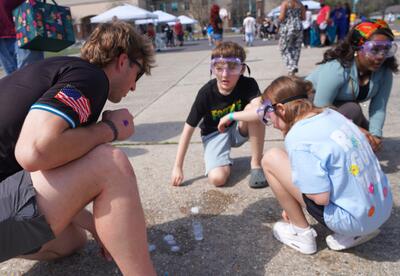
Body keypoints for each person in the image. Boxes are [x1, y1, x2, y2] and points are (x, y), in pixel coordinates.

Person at [0, 21, 156, 275]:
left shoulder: (57, 70)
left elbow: (46, 165)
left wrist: (95, 226)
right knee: (109, 163)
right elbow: (34, 151)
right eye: (137, 74)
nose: (135, 86)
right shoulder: (91, 78)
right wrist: (110, 130)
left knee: (73, 240)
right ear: (123, 61)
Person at [259, 76, 392, 254]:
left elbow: (320, 198)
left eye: (268, 114)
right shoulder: (332, 114)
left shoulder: (298, 136)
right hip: (381, 208)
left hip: (354, 220)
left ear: (281, 109)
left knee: (271, 158)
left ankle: (301, 234)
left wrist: (291, 200)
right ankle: (355, 233)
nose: (271, 123)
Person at [171, 41, 267, 188]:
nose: (225, 75)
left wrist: (231, 116)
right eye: (219, 68)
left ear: (242, 69)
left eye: (232, 68)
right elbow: (188, 129)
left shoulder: (248, 84)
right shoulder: (206, 93)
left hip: (238, 128)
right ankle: (222, 161)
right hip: (214, 134)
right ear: (212, 69)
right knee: (217, 179)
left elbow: (262, 111)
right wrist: (178, 166)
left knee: (254, 109)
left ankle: (256, 165)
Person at [306, 19, 398, 152]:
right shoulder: (337, 68)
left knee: (369, 139)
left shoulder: (384, 72)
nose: (381, 56)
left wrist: (376, 135)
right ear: (357, 48)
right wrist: (355, 130)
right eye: (375, 49)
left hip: (337, 107)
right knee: (353, 111)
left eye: (386, 49)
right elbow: (321, 107)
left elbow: (379, 107)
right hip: (309, 107)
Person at [0, 0, 43, 76]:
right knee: (12, 80)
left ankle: (68, 87)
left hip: (27, 27)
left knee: (32, 75)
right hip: (2, 33)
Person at [278, 0, 306, 75]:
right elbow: (304, 17)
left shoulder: (286, 3)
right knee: (296, 48)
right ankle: (294, 66)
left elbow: (282, 17)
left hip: (288, 27)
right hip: (299, 26)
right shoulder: (300, 4)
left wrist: (279, 20)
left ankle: (291, 66)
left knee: (284, 48)